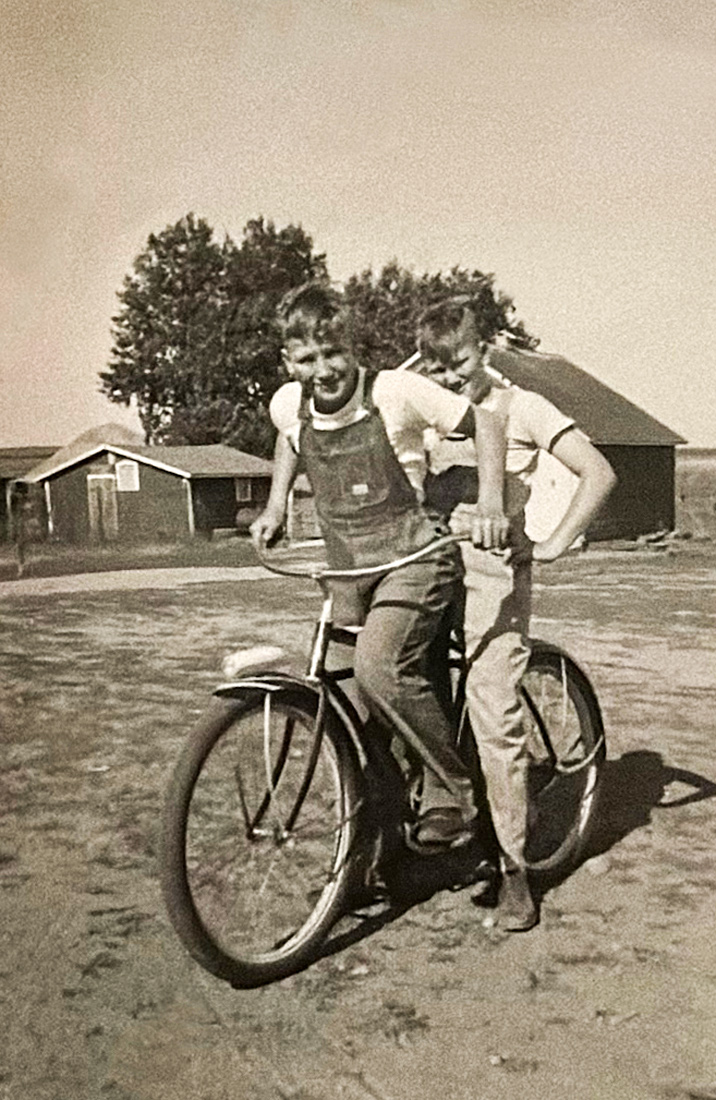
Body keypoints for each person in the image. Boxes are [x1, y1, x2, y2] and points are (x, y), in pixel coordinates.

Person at [250, 282, 509, 850]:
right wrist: (274, 507)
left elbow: (486, 423)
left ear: (354, 348)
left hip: (416, 557)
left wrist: (491, 502)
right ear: (288, 361)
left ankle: (456, 795)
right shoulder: (287, 403)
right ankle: (377, 844)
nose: (323, 369)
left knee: (378, 667)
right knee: (342, 700)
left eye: (333, 353)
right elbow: (289, 440)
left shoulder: (393, 391)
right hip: (349, 571)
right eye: (308, 358)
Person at [415, 296, 617, 929]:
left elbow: (600, 473)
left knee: (493, 708)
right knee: (404, 683)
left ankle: (514, 870)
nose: (451, 377)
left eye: (462, 361)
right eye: (438, 367)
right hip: (432, 567)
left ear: (487, 347)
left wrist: (552, 543)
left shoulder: (523, 407)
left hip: (495, 580)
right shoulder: (431, 414)